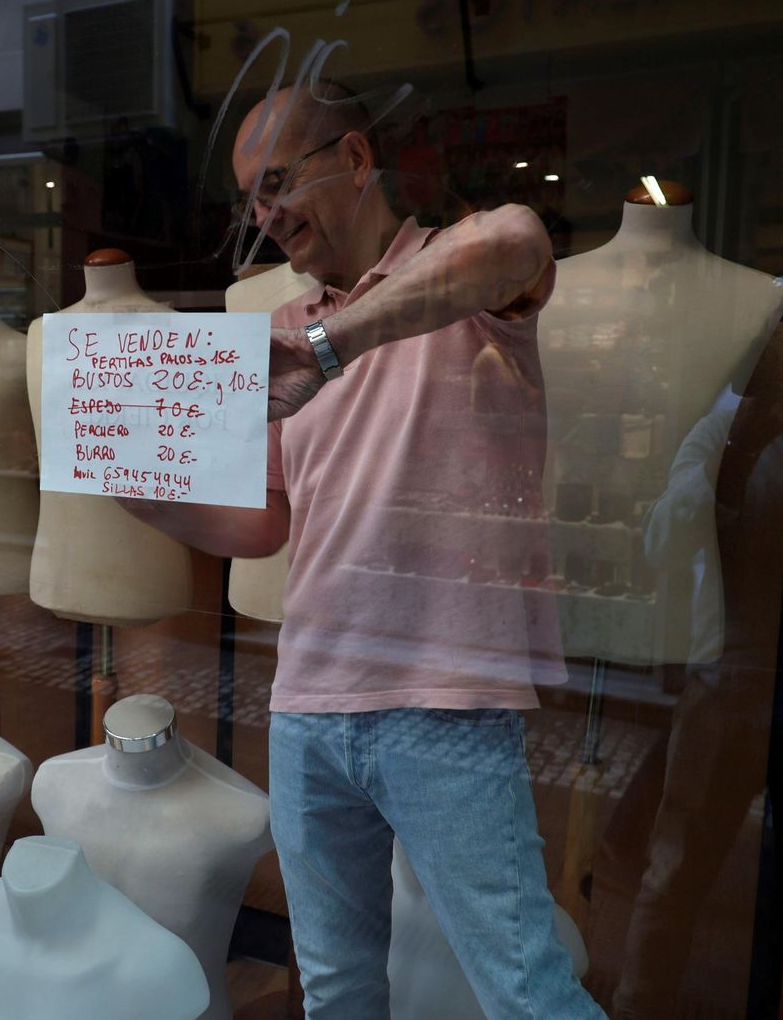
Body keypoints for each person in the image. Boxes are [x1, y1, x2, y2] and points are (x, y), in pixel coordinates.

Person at [121, 81, 604, 1019]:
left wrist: (327, 345)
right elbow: (266, 524)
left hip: (444, 698)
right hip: (310, 700)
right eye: (250, 201)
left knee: (525, 992)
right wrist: (149, 500)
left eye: (277, 184)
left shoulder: (456, 276)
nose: (266, 216)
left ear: (353, 158)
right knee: (335, 987)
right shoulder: (277, 333)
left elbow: (518, 240)